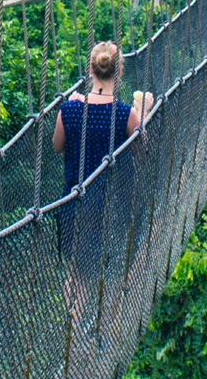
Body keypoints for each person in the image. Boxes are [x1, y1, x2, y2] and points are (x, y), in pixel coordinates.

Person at [53, 41, 146, 284]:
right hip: (108, 209)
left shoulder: (68, 109)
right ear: (119, 72)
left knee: (76, 276)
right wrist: (143, 112)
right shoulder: (126, 113)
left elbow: (57, 145)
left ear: (91, 71)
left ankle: (74, 320)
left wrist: (73, 105)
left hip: (72, 206)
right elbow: (141, 148)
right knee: (97, 276)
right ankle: (87, 321)